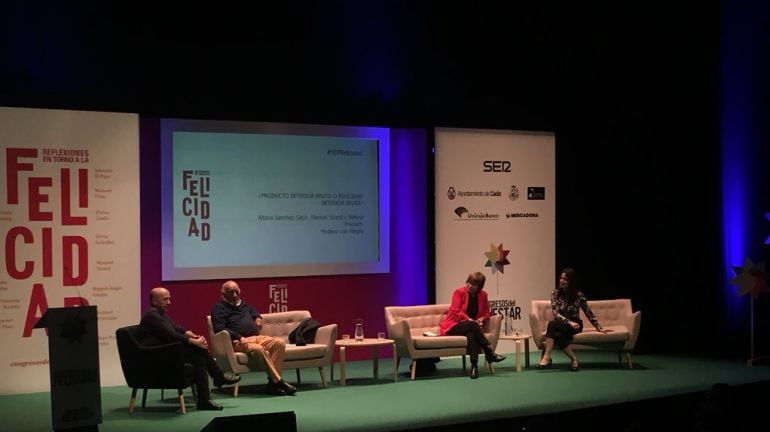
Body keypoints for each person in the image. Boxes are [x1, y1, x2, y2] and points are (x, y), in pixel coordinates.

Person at [137, 287, 240, 411]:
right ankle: (217, 377)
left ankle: (205, 399)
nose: (169, 302)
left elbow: (178, 329)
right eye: (165, 299)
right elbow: (171, 335)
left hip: (165, 352)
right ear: (154, 301)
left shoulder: (160, 315)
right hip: (154, 357)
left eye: (169, 299)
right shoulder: (151, 316)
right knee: (198, 350)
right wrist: (194, 342)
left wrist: (194, 336)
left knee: (199, 356)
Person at [210, 280, 297, 396]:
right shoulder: (218, 308)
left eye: (237, 291)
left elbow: (253, 311)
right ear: (223, 294)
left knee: (279, 343)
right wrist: (239, 337)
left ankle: (272, 383)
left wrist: (258, 318)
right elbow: (219, 328)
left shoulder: (243, 304)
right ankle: (278, 382)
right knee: (258, 349)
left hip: (255, 337)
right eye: (231, 292)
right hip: (237, 342)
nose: (235, 295)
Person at [536, 267, 609, 371]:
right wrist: (569, 322)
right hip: (562, 323)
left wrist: (598, 326)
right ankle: (573, 359)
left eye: (565, 279)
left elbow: (588, 312)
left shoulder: (579, 295)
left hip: (576, 325)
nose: (562, 281)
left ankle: (547, 357)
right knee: (556, 332)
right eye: (561, 278)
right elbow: (556, 313)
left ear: (571, 282)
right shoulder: (555, 294)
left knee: (552, 325)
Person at [439, 272, 506, 379]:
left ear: (479, 287)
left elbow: (486, 313)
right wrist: (470, 320)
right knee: (472, 325)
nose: (470, 286)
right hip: (454, 325)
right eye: (469, 282)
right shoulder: (459, 292)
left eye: (473, 285)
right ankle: (489, 352)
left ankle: (474, 367)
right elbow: (456, 311)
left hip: (471, 328)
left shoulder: (483, 295)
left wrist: (481, 320)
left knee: (471, 335)